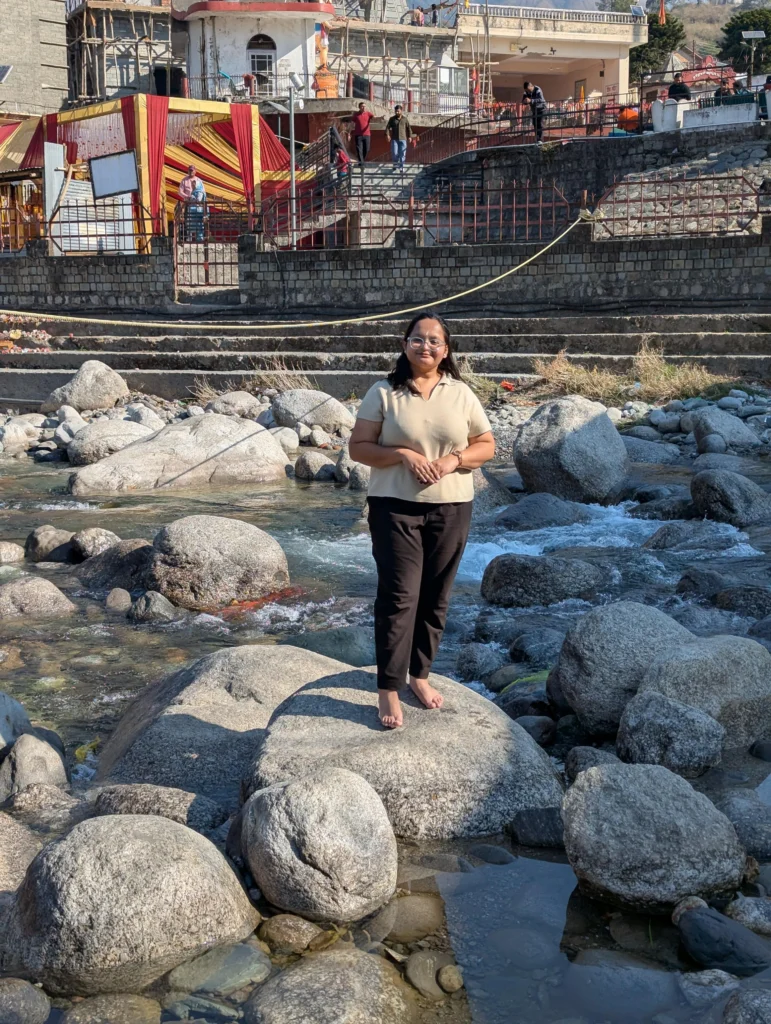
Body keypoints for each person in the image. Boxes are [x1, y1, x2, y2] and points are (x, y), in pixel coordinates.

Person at [349, 312, 496, 729]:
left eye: (434, 341)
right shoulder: (383, 392)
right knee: (399, 597)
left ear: (446, 350)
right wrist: (402, 454)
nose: (425, 346)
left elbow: (486, 445)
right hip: (393, 506)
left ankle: (420, 676)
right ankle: (388, 689)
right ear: (405, 344)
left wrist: (454, 460)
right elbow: (359, 447)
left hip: (452, 506)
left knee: (436, 596)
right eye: (417, 339)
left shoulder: (461, 393)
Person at [386, 104, 412, 169]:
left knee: (402, 154)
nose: (397, 112)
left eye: (398, 111)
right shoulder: (392, 119)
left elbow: (409, 128)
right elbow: (387, 128)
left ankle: (401, 166)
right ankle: (395, 164)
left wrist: (410, 136)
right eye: (396, 111)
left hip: (403, 139)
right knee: (394, 153)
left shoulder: (405, 119)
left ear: (401, 111)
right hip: (394, 139)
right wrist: (388, 135)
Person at [186, 177, 207, 243]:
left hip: (198, 211)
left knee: (199, 226)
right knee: (192, 225)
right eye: (192, 184)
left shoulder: (200, 192)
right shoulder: (193, 192)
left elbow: (198, 200)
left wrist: (191, 198)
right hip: (193, 211)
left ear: (197, 184)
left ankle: (200, 240)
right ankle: (190, 239)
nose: (193, 185)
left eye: (194, 184)